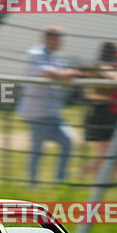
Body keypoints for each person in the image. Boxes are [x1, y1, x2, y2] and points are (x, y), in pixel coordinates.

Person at [18, 26, 83, 185]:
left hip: (53, 112)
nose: (61, 42)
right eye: (58, 39)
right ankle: (32, 183)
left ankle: (60, 179)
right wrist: (68, 73)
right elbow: (49, 73)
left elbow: (63, 77)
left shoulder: (56, 57)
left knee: (67, 140)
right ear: (49, 39)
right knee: (38, 149)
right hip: (37, 112)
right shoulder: (35, 54)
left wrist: (69, 74)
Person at [82, 41, 117, 179]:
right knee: (103, 157)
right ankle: (83, 178)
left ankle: (112, 180)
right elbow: (114, 78)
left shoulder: (112, 67)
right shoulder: (101, 66)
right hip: (100, 113)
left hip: (109, 112)